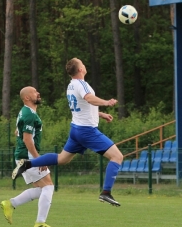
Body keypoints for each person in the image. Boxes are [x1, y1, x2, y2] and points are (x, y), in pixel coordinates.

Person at [12, 58, 123, 206]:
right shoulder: (82, 84)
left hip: (76, 129)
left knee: (62, 159)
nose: (84, 65)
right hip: (86, 131)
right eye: (82, 63)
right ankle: (106, 192)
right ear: (80, 70)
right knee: (117, 157)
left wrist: (100, 114)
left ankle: (27, 164)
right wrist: (106, 102)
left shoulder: (71, 85)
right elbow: (89, 99)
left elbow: (82, 106)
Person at [0, 86, 55, 227]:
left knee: (41, 189)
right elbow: (27, 139)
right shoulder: (29, 115)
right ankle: (40, 223)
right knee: (49, 186)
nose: (38, 93)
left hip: (22, 156)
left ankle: (10, 204)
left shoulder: (25, 112)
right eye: (34, 92)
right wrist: (39, 159)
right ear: (27, 98)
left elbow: (17, 131)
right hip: (28, 157)